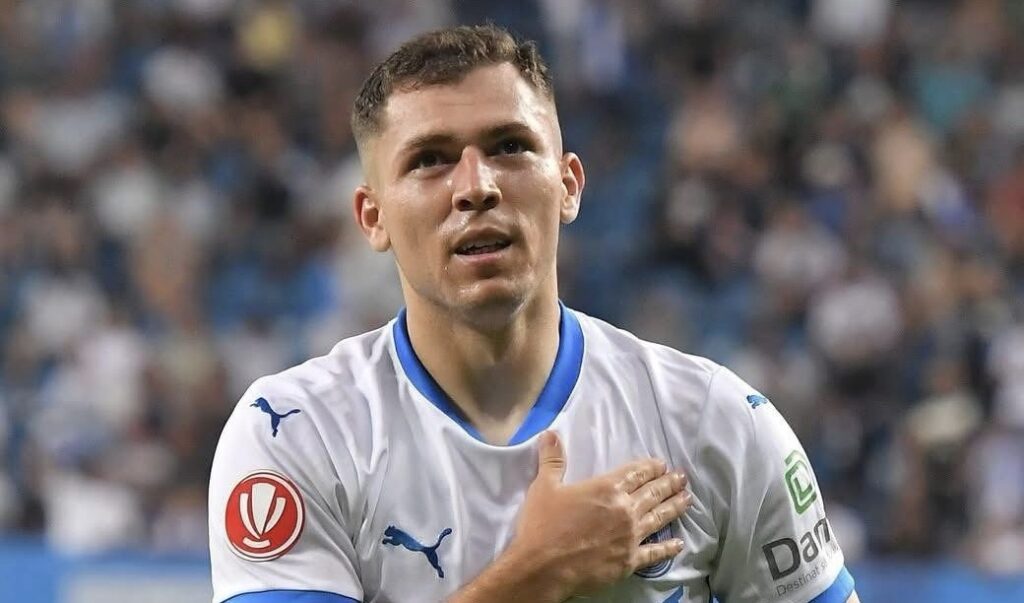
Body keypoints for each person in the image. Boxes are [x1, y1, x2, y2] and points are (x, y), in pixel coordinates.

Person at [208, 24, 859, 603]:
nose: (476, 186)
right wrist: (541, 571)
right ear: (372, 216)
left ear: (569, 185)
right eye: (430, 160)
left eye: (509, 146)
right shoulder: (298, 434)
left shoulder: (717, 422)